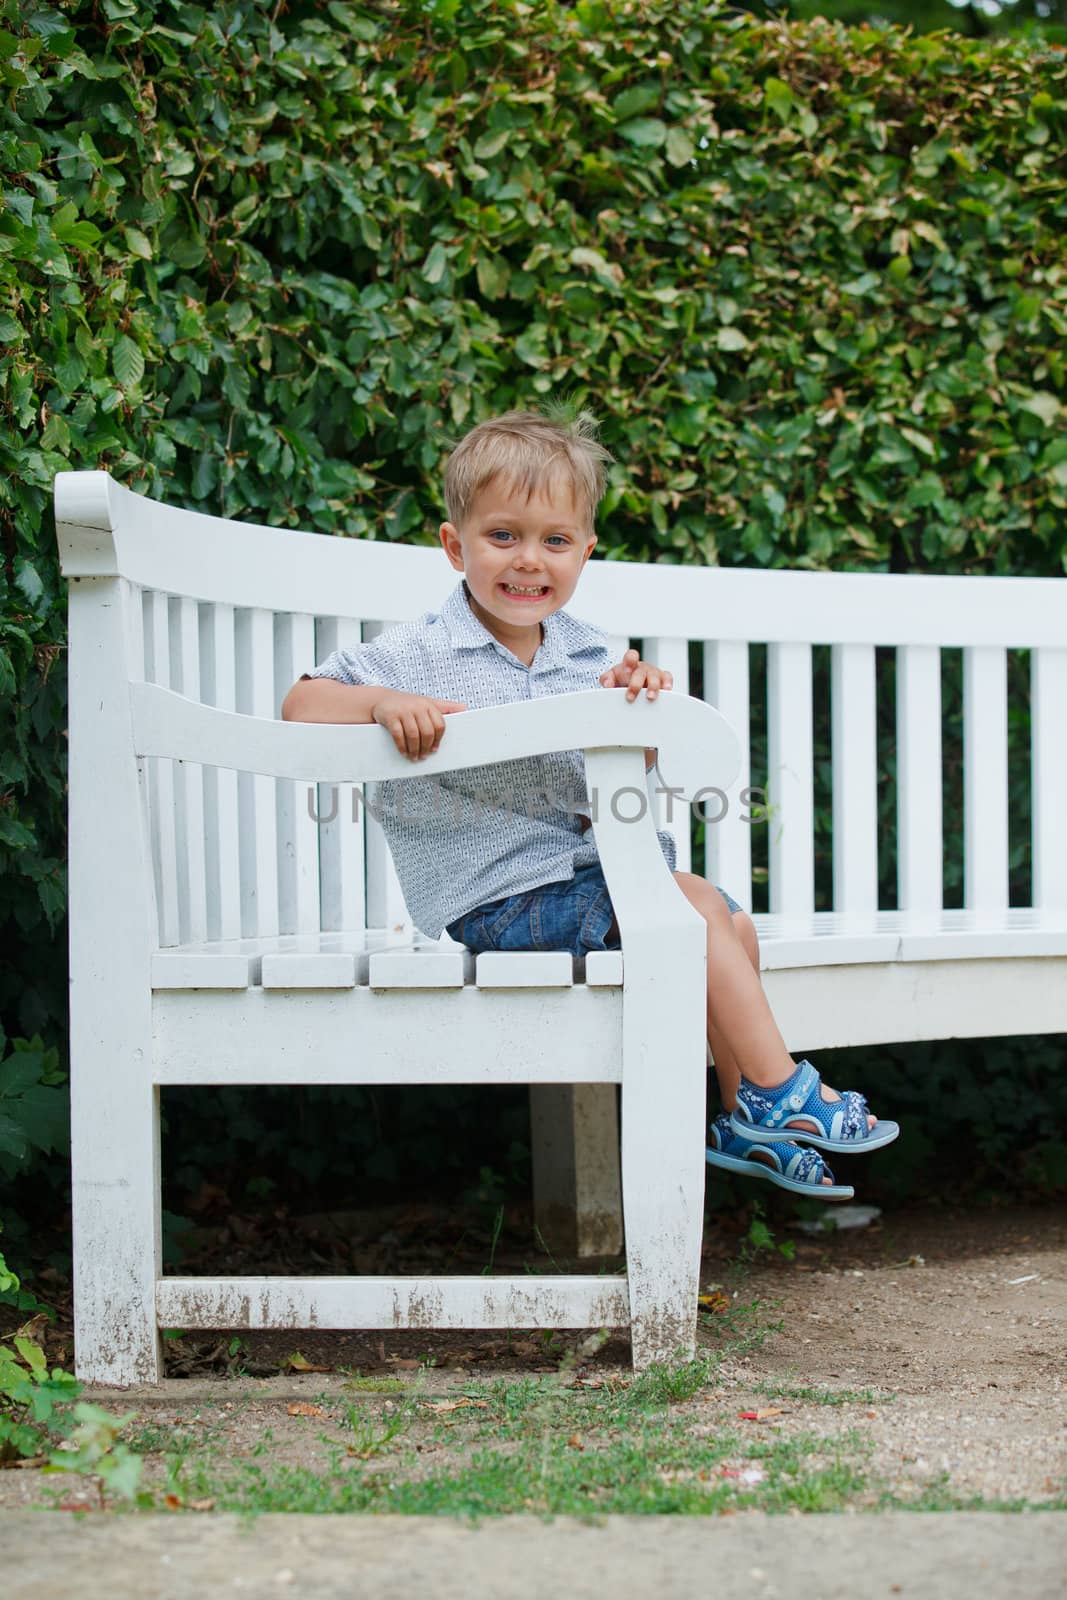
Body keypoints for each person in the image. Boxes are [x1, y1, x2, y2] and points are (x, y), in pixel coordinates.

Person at [282, 408, 898, 1201]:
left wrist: (632, 713)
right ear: (453, 544)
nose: (528, 561)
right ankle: (780, 1094)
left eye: (555, 541)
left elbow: (622, 780)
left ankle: (742, 1121)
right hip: (500, 899)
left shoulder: (592, 654)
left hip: (590, 879)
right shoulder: (417, 652)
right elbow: (302, 705)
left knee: (726, 919)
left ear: (584, 550)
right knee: (691, 912)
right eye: (502, 536)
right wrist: (381, 703)